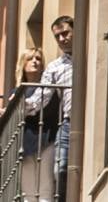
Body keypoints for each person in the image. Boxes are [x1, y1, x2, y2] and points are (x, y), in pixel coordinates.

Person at [13, 47, 59, 202]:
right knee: (28, 192)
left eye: (38, 59)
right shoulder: (17, 92)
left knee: (46, 187)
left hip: (47, 139)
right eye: (30, 58)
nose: (35, 62)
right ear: (23, 64)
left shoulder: (49, 90)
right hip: (24, 143)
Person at [37, 17, 73, 202]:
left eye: (65, 33)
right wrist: (18, 106)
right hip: (67, 123)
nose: (61, 39)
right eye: (57, 36)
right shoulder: (54, 67)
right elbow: (40, 99)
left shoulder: (90, 54)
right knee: (60, 169)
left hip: (93, 121)